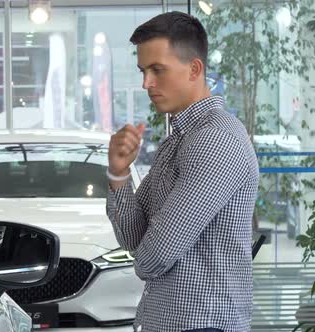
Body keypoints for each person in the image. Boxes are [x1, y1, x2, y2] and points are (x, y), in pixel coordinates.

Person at [106, 12, 259, 332]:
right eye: (143, 71)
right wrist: (119, 175)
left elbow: (151, 258)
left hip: (203, 325)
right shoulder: (178, 140)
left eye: (157, 70)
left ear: (194, 69)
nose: (146, 83)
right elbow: (134, 238)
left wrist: (149, 246)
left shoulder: (215, 140)